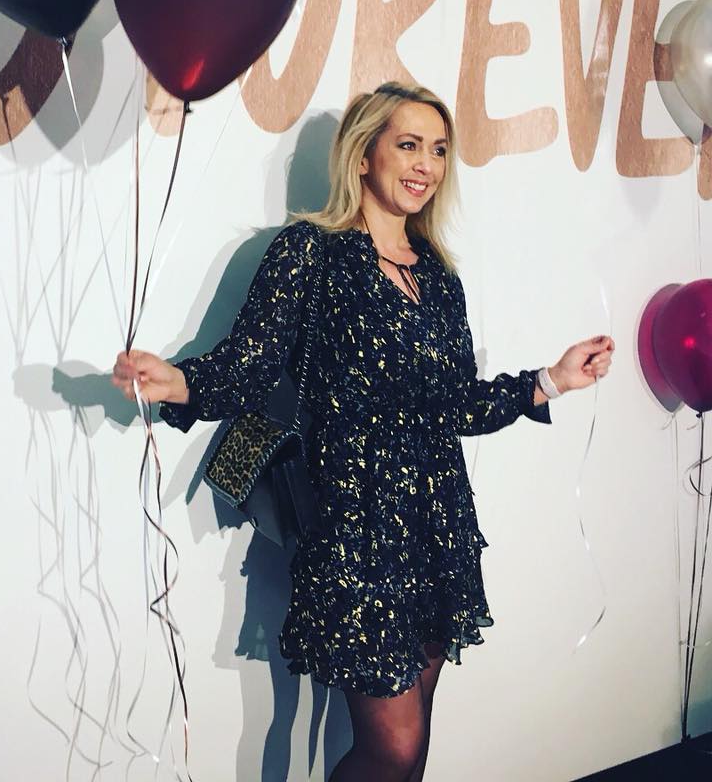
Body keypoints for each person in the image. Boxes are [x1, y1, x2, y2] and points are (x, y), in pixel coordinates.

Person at [111, 83, 615, 781]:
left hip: (438, 525)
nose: (426, 165)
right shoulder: (309, 252)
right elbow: (250, 363)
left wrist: (552, 379)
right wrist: (180, 381)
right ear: (363, 155)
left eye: (438, 150)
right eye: (408, 145)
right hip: (356, 529)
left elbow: (456, 405)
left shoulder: (438, 276)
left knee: (413, 746)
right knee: (393, 747)